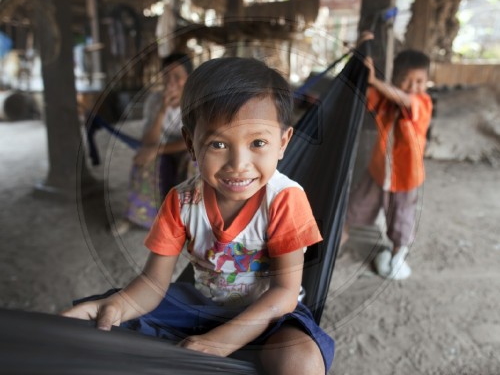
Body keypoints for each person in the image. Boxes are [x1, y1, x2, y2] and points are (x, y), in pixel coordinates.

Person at [64, 57, 335, 374]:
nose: (238, 164)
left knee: (300, 360)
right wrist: (115, 306)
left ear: (283, 142)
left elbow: (284, 293)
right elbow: (153, 283)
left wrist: (218, 342)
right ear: (191, 145)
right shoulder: (181, 201)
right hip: (199, 304)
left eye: (258, 142)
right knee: (104, 320)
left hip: (268, 312)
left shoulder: (285, 200)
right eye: (219, 143)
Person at [342, 32, 433, 280]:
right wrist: (361, 51)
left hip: (405, 178)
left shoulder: (422, 103)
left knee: (400, 218)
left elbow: (405, 99)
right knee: (351, 209)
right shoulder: (385, 99)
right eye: (406, 80)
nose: (413, 87)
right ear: (394, 79)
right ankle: (336, 243)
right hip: (378, 171)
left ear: (426, 84)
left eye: (419, 82)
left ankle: (397, 254)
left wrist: (377, 82)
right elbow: (364, 88)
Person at [113, 53, 193, 236]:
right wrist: (162, 110)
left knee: (194, 163)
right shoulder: (154, 100)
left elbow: (197, 141)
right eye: (166, 76)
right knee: (143, 158)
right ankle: (138, 216)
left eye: (177, 77)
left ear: (189, 78)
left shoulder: (198, 101)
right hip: (162, 146)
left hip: (189, 148)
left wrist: (156, 150)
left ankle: (189, 221)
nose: (171, 82)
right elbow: (149, 141)